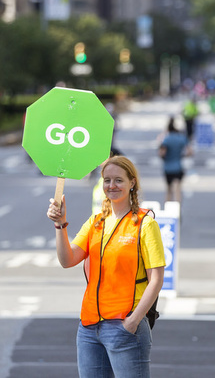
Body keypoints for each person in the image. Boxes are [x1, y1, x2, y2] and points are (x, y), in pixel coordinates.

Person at [46, 155, 166, 378]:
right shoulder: (95, 222)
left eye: (119, 180)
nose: (112, 185)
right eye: (107, 180)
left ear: (132, 183)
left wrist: (133, 321)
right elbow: (67, 260)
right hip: (89, 328)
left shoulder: (145, 224)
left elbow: (156, 280)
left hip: (125, 326)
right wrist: (60, 224)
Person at [158, 117, 191, 203]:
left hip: (167, 167)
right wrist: (181, 155)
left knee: (169, 190)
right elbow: (189, 152)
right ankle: (178, 209)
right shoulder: (182, 138)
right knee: (177, 190)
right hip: (178, 167)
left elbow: (162, 153)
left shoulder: (166, 139)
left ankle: (167, 211)